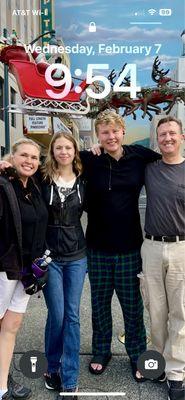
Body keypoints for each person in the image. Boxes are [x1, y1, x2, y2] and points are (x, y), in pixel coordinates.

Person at [79, 110, 161, 381]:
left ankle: (137, 354)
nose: (110, 136)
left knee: (131, 305)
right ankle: (101, 351)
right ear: (98, 136)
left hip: (129, 247)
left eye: (114, 131)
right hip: (98, 248)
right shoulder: (89, 159)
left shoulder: (139, 155)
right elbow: (57, 165)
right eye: (104, 132)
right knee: (100, 304)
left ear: (122, 131)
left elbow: (171, 160)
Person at [140, 116, 185, 400]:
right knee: (156, 312)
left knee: (180, 312)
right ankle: (157, 362)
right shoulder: (149, 168)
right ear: (157, 140)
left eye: (172, 133)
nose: (167, 138)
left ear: (182, 137)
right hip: (152, 246)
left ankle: (177, 373)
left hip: (182, 247)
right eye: (162, 134)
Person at [0, 138, 48, 400]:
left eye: (34, 157)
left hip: (28, 272)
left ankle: (3, 384)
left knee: (12, 325)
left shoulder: (35, 187)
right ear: (12, 157)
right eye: (23, 156)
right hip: (5, 269)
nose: (29, 161)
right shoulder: (4, 185)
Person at [41, 132, 87, 400]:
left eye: (68, 147)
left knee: (72, 316)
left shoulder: (84, 180)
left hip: (77, 257)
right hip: (50, 258)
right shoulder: (43, 179)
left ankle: (69, 378)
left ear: (74, 150)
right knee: (56, 315)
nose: (63, 151)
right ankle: (52, 365)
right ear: (53, 151)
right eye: (58, 147)